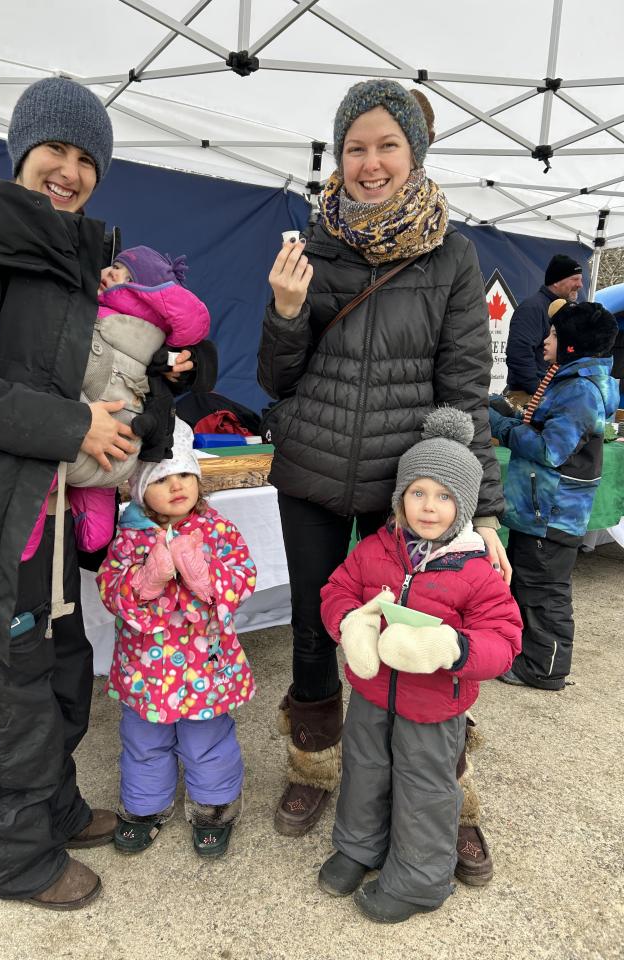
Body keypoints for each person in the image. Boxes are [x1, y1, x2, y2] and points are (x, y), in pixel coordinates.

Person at [0, 77, 154, 910]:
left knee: (60, 667)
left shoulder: (67, 252)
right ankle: (11, 857)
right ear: (22, 151)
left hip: (52, 510)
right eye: (56, 150)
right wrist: (71, 427)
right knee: (9, 684)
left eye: (89, 159)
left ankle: (54, 805)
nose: (71, 171)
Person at [257, 78, 509, 871]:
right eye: (355, 148)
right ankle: (314, 762)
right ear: (339, 157)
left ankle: (443, 786)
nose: (370, 164)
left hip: (414, 493)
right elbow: (277, 379)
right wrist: (285, 313)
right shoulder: (313, 244)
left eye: (386, 146)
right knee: (312, 624)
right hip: (313, 473)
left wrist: (487, 510)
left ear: (415, 152)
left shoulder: (454, 255)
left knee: (429, 627)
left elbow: (468, 391)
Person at [317, 408, 521, 924]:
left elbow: (503, 639)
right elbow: (337, 590)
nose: (429, 507)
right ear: (400, 498)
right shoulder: (374, 548)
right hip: (371, 693)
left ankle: (419, 879)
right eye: (418, 493)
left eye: (445, 496)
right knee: (364, 769)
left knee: (424, 787)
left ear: (465, 505)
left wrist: (452, 648)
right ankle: (360, 846)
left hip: (433, 706)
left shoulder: (476, 570)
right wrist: (350, 623)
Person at [96, 418, 257, 859]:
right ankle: (145, 806)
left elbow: (244, 577)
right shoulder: (129, 535)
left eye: (185, 474)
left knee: (207, 738)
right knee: (144, 738)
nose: (177, 486)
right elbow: (110, 589)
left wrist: (206, 576)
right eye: (162, 478)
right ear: (138, 488)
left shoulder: (216, 528)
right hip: (146, 667)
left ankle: (214, 807)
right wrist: (147, 580)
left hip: (204, 663)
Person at [490, 299, 618, 690]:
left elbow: (551, 449)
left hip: (552, 512)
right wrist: (507, 412)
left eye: (554, 334)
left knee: (543, 591)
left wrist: (502, 427)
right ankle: (528, 655)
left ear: (572, 344)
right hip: (539, 509)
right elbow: (546, 422)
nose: (546, 339)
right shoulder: (569, 379)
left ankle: (545, 669)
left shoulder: (580, 389)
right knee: (529, 584)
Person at [66, 243, 212, 487]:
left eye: (129, 277)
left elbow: (193, 330)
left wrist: (192, 365)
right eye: (114, 266)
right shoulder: (82, 304)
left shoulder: (144, 334)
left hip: (109, 449)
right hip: (80, 438)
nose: (113, 274)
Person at [504, 254, 583, 408]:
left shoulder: (568, 310)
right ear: (556, 281)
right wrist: (538, 390)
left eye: (581, 279)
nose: (580, 284)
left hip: (553, 394)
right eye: (575, 279)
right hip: (527, 397)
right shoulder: (532, 308)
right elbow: (518, 353)